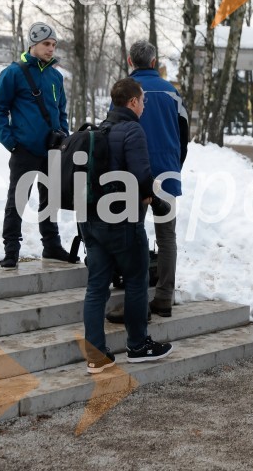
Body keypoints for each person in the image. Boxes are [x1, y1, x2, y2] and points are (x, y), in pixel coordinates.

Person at [81, 78, 172, 373]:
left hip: (92, 221)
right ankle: (138, 345)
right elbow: (142, 176)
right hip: (124, 222)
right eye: (142, 100)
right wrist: (158, 203)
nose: (144, 106)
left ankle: (96, 354)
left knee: (96, 288)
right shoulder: (132, 130)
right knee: (135, 281)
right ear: (132, 101)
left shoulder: (100, 130)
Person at [108, 40, 188, 322]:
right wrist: (174, 165)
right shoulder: (172, 93)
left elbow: (113, 132)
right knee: (167, 238)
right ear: (154, 63)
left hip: (132, 176)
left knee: (133, 236)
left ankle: (136, 299)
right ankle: (164, 297)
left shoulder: (123, 91)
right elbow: (184, 135)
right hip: (166, 172)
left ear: (130, 61)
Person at [0, 22, 77, 269]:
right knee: (17, 200)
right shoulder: (13, 73)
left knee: (50, 200)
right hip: (24, 150)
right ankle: (11, 250)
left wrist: (64, 139)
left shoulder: (56, 76)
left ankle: (51, 246)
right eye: (46, 44)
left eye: (53, 44)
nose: (51, 49)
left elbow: (61, 112)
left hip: (52, 150)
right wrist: (10, 142)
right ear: (33, 44)